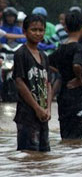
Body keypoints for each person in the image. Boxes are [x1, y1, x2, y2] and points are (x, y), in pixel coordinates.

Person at [13, 14, 52, 151]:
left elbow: (48, 84)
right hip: (27, 115)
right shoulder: (21, 54)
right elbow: (19, 82)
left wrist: (48, 109)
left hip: (43, 116)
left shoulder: (44, 57)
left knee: (43, 156)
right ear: (24, 31)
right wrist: (37, 108)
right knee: (28, 155)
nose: (37, 33)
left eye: (41, 30)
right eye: (34, 30)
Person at [49, 11, 82, 140]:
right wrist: (78, 79)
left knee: (65, 136)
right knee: (76, 138)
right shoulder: (78, 48)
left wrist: (59, 71)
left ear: (66, 28)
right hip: (76, 96)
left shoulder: (61, 48)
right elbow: (77, 65)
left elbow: (46, 62)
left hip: (63, 96)